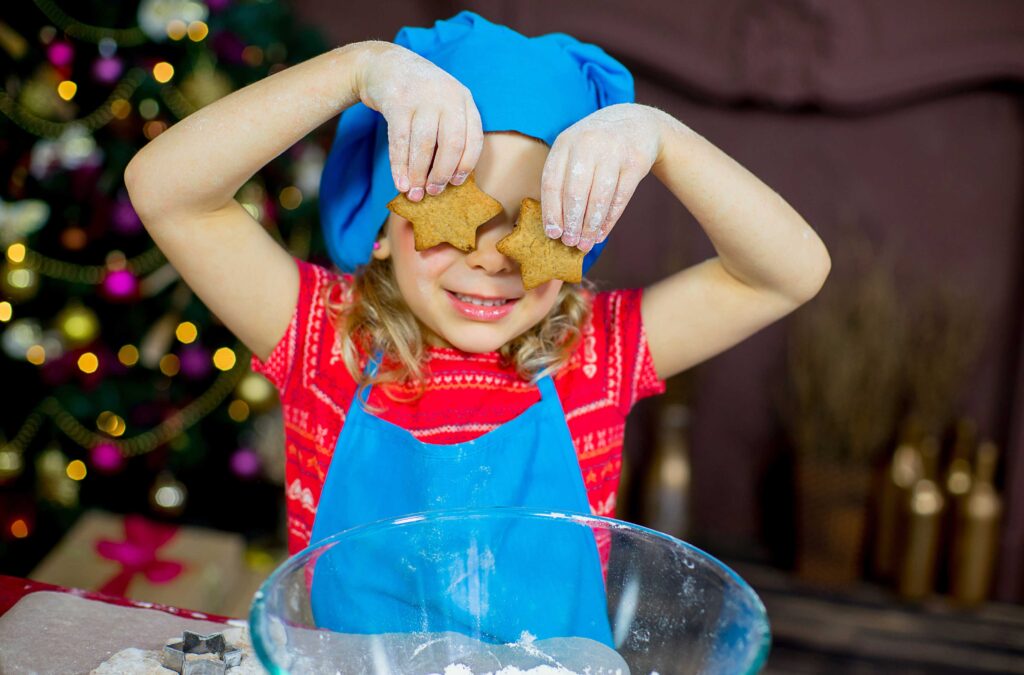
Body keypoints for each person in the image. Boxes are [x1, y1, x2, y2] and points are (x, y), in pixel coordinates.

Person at [125, 9, 829, 651]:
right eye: (452, 206)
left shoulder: (595, 352)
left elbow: (789, 271)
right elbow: (165, 191)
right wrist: (358, 69)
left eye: (539, 220)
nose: (491, 257)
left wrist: (660, 136)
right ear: (378, 227)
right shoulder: (323, 335)